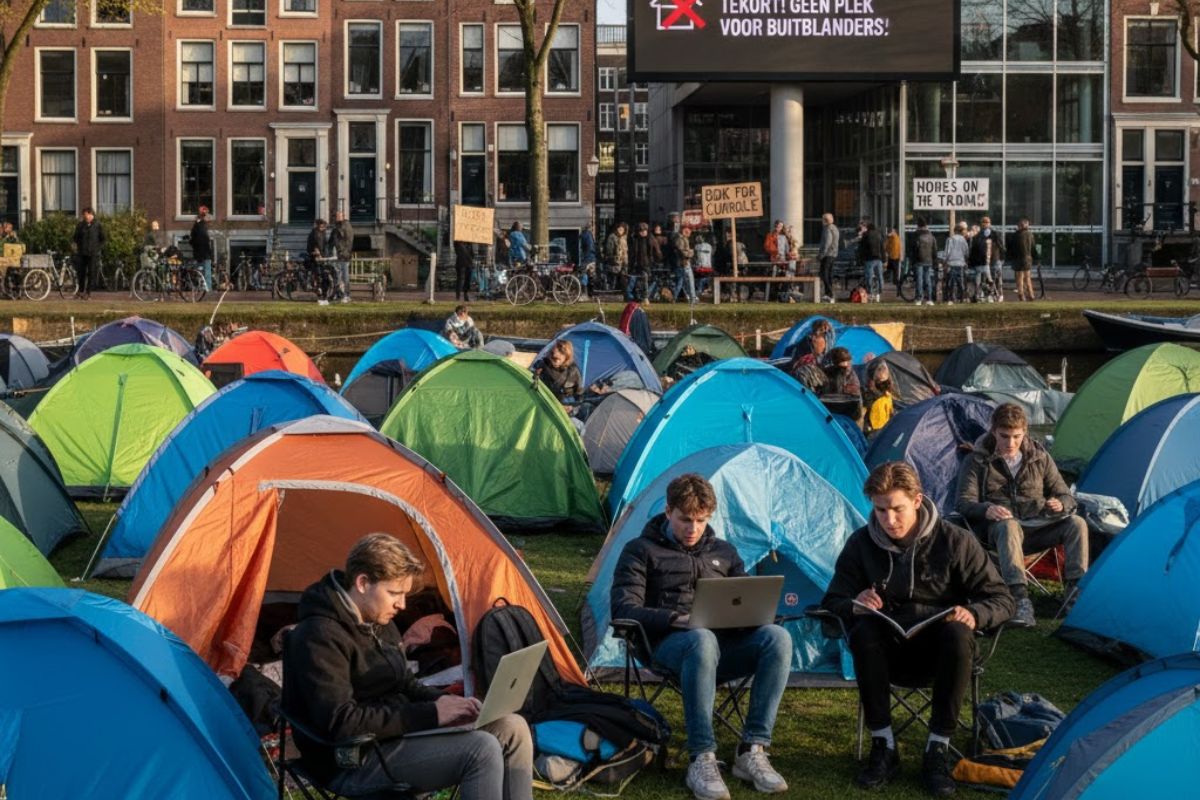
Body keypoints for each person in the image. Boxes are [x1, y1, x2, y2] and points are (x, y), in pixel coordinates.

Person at [282, 533, 533, 800]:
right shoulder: (319, 636)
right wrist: (431, 714)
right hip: (350, 760)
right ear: (363, 583)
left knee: (511, 727)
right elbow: (342, 722)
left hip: (395, 737)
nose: (402, 605)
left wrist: (450, 704)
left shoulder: (379, 621)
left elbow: (406, 684)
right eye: (394, 593)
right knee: (480, 749)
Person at [822, 462, 1015, 797]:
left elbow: (1002, 599)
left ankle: (937, 749)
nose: (889, 520)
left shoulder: (955, 541)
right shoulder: (861, 543)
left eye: (897, 508)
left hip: (942, 655)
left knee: (957, 632)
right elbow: (833, 599)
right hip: (884, 656)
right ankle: (883, 745)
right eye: (880, 510)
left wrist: (974, 612)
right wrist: (855, 601)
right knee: (864, 630)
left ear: (917, 500)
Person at [611, 474, 790, 800]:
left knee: (777, 638)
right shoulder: (640, 550)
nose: (693, 529)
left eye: (701, 521)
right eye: (685, 520)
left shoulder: (723, 551)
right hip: (667, 645)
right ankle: (702, 756)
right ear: (668, 511)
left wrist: (756, 616)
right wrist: (674, 620)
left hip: (723, 646)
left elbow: (744, 597)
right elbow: (623, 609)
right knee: (701, 639)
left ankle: (752, 749)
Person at [956, 403, 1089, 628]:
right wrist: (986, 509)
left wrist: (1060, 503)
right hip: (998, 532)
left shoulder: (1039, 457)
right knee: (1008, 525)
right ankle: (1019, 600)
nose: (1010, 443)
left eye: (1016, 436)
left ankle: (1076, 596)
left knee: (1077, 523)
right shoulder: (977, 460)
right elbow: (963, 503)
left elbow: (1066, 495)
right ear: (993, 431)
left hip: (1037, 527)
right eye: (1004, 436)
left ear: (1025, 431)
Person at [535, 339, 583, 405]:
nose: (555, 361)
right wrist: (536, 374)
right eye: (552, 356)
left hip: (563, 406)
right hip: (543, 401)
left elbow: (579, 394)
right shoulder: (542, 365)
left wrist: (572, 406)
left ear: (566, 357)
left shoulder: (573, 371)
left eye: (558, 358)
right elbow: (532, 382)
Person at [968, 216, 1004, 303]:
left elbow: (1001, 247)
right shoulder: (978, 236)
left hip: (994, 259)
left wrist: (1001, 258)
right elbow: (975, 250)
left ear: (990, 223)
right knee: (987, 279)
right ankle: (988, 296)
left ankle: (998, 295)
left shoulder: (995, 234)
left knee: (995, 278)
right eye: (984, 222)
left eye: (987, 222)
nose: (985, 224)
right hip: (985, 261)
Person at [73, 207, 106, 300]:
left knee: (91, 273)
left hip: (93, 254)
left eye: (86, 215)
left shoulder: (97, 225)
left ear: (91, 214)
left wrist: (98, 248)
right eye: (84, 215)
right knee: (81, 273)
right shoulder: (80, 225)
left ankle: (88, 293)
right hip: (82, 253)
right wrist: (77, 247)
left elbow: (103, 238)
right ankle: (80, 291)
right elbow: (75, 237)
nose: (84, 217)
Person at [862, 360, 897, 437]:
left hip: (883, 424)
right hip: (872, 426)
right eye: (879, 371)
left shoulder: (887, 388)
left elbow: (889, 409)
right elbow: (867, 405)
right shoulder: (868, 390)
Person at [910, 218, 937, 306]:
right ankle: (929, 298)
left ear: (918, 226)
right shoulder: (931, 236)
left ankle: (919, 298)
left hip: (918, 260)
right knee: (927, 279)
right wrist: (934, 261)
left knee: (919, 280)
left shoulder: (916, 235)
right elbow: (934, 250)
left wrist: (912, 261)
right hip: (928, 260)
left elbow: (913, 249)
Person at [329, 210, 354, 303]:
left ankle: (347, 295)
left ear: (343, 216)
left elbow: (349, 241)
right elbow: (332, 240)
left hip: (344, 255)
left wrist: (345, 252)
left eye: (338, 216)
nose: (336, 218)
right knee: (337, 276)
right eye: (336, 216)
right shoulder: (336, 227)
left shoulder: (346, 226)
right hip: (337, 255)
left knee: (345, 276)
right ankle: (338, 293)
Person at [858, 220, 885, 303]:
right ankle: (879, 293)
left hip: (869, 259)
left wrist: (861, 259)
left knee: (869, 277)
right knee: (880, 276)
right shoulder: (879, 235)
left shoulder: (866, 235)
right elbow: (882, 248)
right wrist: (884, 259)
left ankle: (870, 293)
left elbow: (861, 249)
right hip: (878, 259)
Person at [943, 221, 969, 305]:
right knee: (961, 282)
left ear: (955, 231)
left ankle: (951, 299)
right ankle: (961, 298)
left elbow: (947, 252)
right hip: (961, 263)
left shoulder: (950, 239)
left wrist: (945, 262)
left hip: (951, 263)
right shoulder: (963, 240)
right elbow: (966, 252)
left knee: (951, 282)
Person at [306, 219, 331, 305]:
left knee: (324, 276)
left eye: (324, 226)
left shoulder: (323, 234)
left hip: (322, 258)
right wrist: (314, 252)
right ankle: (320, 294)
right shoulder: (313, 234)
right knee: (318, 276)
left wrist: (324, 255)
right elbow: (310, 247)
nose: (323, 228)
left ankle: (324, 295)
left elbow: (325, 245)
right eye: (322, 226)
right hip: (315, 259)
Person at [628, 222, 654, 302]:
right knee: (637, 281)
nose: (643, 232)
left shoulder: (649, 239)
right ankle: (639, 297)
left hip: (646, 264)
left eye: (644, 230)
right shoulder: (635, 240)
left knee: (645, 280)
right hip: (636, 263)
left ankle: (645, 297)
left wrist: (652, 261)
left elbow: (653, 251)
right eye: (641, 231)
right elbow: (632, 252)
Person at [670, 224, 696, 303]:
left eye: (690, 230)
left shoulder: (683, 239)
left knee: (681, 282)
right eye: (687, 230)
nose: (689, 232)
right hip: (684, 263)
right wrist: (691, 253)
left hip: (682, 263)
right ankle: (693, 298)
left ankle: (674, 298)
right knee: (690, 281)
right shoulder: (680, 239)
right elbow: (682, 252)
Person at [818, 213, 840, 304]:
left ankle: (829, 294)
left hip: (827, 255)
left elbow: (827, 242)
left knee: (824, 274)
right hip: (833, 254)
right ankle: (829, 294)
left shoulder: (828, 228)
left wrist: (821, 255)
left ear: (825, 220)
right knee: (829, 274)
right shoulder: (835, 228)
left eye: (822, 219)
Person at [1013, 218, 1036, 302]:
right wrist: (1036, 258)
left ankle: (1021, 295)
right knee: (1028, 278)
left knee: (1019, 278)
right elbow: (1033, 248)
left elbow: (1012, 248)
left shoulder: (1015, 235)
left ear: (1019, 226)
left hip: (1018, 259)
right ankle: (1031, 294)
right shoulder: (1030, 235)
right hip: (1027, 259)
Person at [190, 206, 213, 292]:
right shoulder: (202, 227)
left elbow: (193, 239)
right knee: (206, 272)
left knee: (199, 272)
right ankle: (207, 288)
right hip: (204, 253)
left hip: (198, 253)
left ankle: (200, 287)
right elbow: (204, 240)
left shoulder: (197, 227)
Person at [605, 222, 629, 292]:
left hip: (623, 261)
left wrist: (625, 260)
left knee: (623, 278)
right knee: (614, 278)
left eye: (622, 229)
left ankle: (622, 292)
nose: (621, 231)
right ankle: (612, 291)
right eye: (619, 229)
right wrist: (614, 258)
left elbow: (625, 250)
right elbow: (609, 250)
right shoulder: (612, 237)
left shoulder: (624, 238)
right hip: (614, 262)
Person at [579, 223, 597, 297]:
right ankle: (591, 294)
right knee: (591, 275)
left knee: (584, 275)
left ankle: (584, 293)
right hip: (591, 258)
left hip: (586, 258)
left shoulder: (584, 235)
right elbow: (591, 247)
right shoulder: (589, 235)